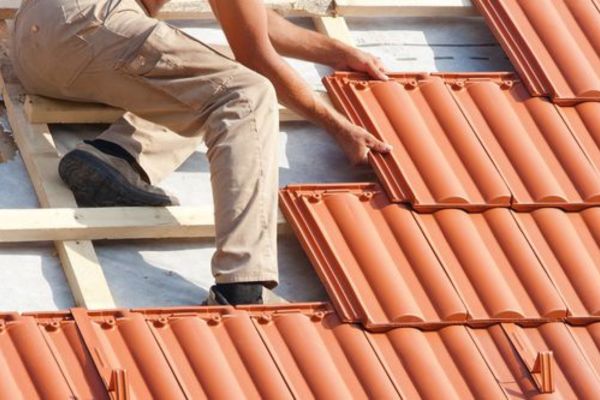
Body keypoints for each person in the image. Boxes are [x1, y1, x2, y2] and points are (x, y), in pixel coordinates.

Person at [11, 0, 391, 305]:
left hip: (36, 50)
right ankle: (243, 283)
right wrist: (338, 125)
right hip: (89, 27)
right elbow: (256, 53)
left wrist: (336, 50)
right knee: (244, 94)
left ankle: (116, 155)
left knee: (209, 79)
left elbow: (254, 21)